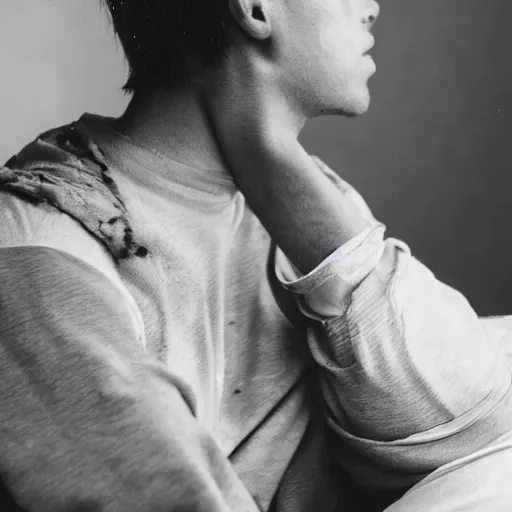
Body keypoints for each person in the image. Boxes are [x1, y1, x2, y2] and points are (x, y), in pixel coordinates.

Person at [1, 0, 511, 510]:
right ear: (255, 6)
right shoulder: (39, 237)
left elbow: (469, 426)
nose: (370, 8)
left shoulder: (297, 203)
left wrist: (274, 156)